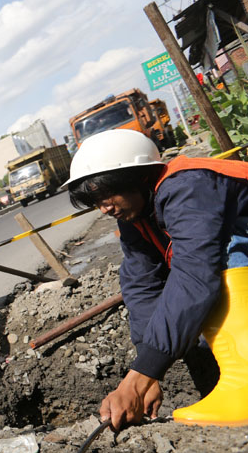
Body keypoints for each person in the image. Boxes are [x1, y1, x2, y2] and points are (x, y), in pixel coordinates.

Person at [65, 129, 248, 430]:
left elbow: (195, 275)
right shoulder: (136, 218)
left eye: (107, 195)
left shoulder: (189, 186)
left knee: (223, 247)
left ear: (138, 177)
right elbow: (141, 285)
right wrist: (145, 368)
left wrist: (137, 383)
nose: (104, 208)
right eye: (96, 202)